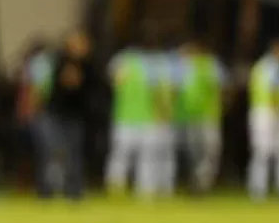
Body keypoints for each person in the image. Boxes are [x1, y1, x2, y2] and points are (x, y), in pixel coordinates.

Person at [27, 30, 100, 200]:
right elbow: (45, 87)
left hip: (74, 115)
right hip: (53, 114)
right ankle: (46, 190)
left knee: (74, 154)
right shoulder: (58, 61)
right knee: (53, 152)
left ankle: (73, 190)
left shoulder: (88, 65)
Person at [105, 38, 173, 197]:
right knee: (147, 157)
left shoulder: (121, 61)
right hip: (147, 117)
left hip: (125, 116)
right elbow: (159, 91)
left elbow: (114, 82)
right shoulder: (156, 64)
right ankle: (145, 190)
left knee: (121, 154)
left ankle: (115, 186)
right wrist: (162, 113)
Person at [175, 37, 228, 194]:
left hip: (207, 116)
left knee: (209, 152)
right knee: (195, 153)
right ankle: (196, 182)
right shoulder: (181, 65)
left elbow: (223, 89)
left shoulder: (210, 65)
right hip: (190, 116)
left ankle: (202, 183)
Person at [248, 39, 279, 200]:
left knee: (264, 153)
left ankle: (260, 190)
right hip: (271, 113)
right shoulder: (273, 66)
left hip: (261, 112)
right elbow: (274, 90)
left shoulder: (260, 66)